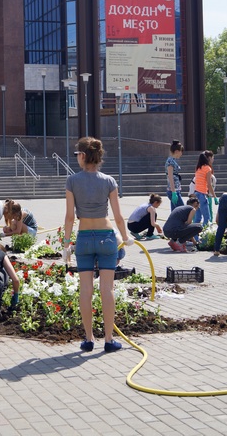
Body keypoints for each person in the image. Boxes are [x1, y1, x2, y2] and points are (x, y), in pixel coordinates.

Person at [63, 137, 134, 354]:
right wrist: (126, 236)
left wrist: (66, 245)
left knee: (85, 289)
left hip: (84, 238)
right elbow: (119, 216)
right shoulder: (109, 181)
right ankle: (109, 340)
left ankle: (88, 339)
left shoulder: (72, 181)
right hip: (107, 237)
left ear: (83, 156)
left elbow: (68, 217)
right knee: (107, 289)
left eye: (78, 154)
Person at [193, 150, 217, 226]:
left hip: (196, 194)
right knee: (207, 218)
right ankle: (205, 237)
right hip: (202, 195)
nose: (213, 159)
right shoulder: (207, 169)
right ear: (208, 158)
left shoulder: (198, 168)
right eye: (212, 157)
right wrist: (215, 197)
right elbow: (209, 185)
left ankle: (195, 237)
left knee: (197, 218)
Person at [165, 140, 184, 211]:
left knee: (174, 212)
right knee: (182, 210)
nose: (181, 153)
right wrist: (173, 192)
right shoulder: (170, 161)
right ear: (176, 151)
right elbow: (170, 176)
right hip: (173, 190)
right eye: (181, 151)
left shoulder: (173, 160)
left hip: (175, 189)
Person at [213, 192, 227, 257]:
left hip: (223, 197)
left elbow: (217, 219)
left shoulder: (222, 198)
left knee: (221, 227)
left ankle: (216, 250)